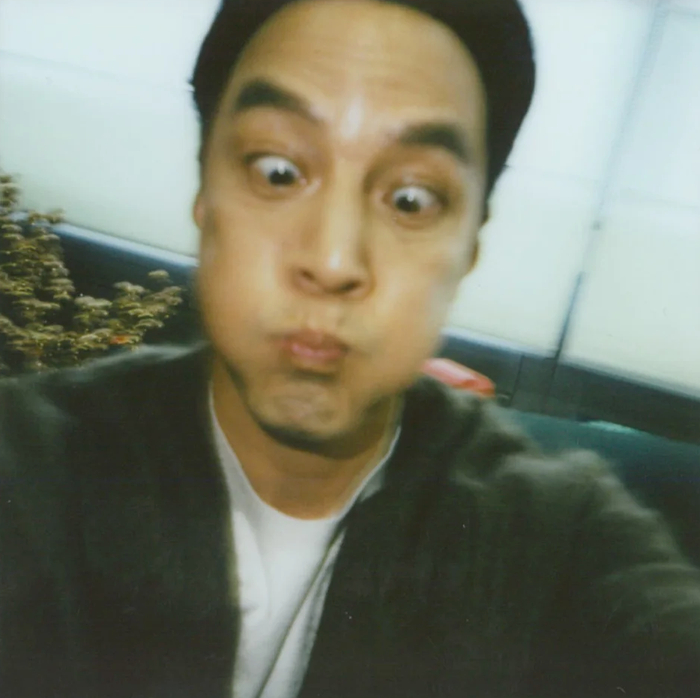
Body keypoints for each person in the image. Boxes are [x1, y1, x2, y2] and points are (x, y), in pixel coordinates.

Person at [1, 1, 699, 696]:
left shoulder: (556, 533)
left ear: (469, 247)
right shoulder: (36, 462)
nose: (334, 260)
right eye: (278, 171)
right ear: (205, 192)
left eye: (412, 200)